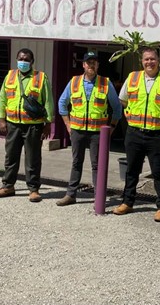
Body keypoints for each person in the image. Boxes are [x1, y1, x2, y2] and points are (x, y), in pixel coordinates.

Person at [113, 47, 160, 222]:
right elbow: (123, 100)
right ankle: (127, 202)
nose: (149, 62)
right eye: (146, 59)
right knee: (132, 170)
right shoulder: (132, 77)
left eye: (152, 59)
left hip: (157, 135)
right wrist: (129, 114)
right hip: (134, 133)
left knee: (159, 172)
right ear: (142, 62)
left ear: (158, 60)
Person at [55, 51, 122, 206]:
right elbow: (62, 103)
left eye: (94, 62)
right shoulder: (74, 82)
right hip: (77, 130)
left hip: (97, 133)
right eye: (88, 62)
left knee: (97, 165)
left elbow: (117, 107)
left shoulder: (105, 83)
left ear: (98, 65)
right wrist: (67, 124)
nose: (91, 65)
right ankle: (71, 195)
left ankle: (99, 197)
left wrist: (112, 127)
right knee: (76, 162)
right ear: (83, 65)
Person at [0, 48, 54, 202]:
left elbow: (48, 101)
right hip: (13, 124)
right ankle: (8, 186)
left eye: (26, 59)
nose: (23, 62)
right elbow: (2, 98)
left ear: (32, 62)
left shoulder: (41, 78)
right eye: (21, 59)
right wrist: (1, 119)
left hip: (33, 125)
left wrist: (48, 124)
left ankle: (33, 189)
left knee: (33, 158)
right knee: (11, 156)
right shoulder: (10, 76)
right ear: (16, 59)